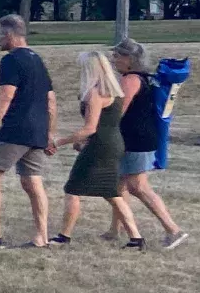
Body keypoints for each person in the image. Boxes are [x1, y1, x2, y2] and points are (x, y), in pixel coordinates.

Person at [0, 14, 55, 249]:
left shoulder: (11, 60)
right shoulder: (37, 59)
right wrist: (49, 133)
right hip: (38, 129)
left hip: (16, 128)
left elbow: (6, 96)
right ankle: (41, 237)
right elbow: (51, 100)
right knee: (33, 182)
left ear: (9, 35)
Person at [53, 50, 142, 248]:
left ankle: (63, 236)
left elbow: (89, 128)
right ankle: (136, 238)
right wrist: (81, 141)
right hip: (112, 143)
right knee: (111, 192)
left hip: (100, 145)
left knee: (73, 188)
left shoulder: (95, 93)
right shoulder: (115, 92)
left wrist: (59, 142)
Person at [112, 38, 187, 249]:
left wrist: (97, 134)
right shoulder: (145, 78)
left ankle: (173, 230)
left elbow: (119, 111)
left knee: (138, 187)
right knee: (120, 185)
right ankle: (115, 230)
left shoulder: (131, 79)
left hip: (136, 140)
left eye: (117, 56)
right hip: (139, 138)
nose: (113, 60)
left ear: (129, 59)